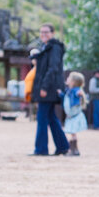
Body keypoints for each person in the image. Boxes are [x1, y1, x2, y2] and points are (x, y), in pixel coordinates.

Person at [31, 23, 70, 156]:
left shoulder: (54, 48)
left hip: (49, 88)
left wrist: (44, 87)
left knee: (42, 118)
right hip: (48, 87)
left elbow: (53, 68)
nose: (43, 35)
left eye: (46, 32)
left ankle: (41, 149)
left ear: (52, 33)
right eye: (41, 32)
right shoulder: (46, 47)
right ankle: (63, 146)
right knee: (51, 118)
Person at [62, 72, 88, 156]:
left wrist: (79, 94)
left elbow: (77, 93)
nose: (67, 79)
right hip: (71, 116)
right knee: (72, 133)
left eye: (69, 78)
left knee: (73, 133)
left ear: (73, 82)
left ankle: (73, 150)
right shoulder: (69, 91)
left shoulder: (76, 91)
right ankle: (74, 150)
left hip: (74, 116)